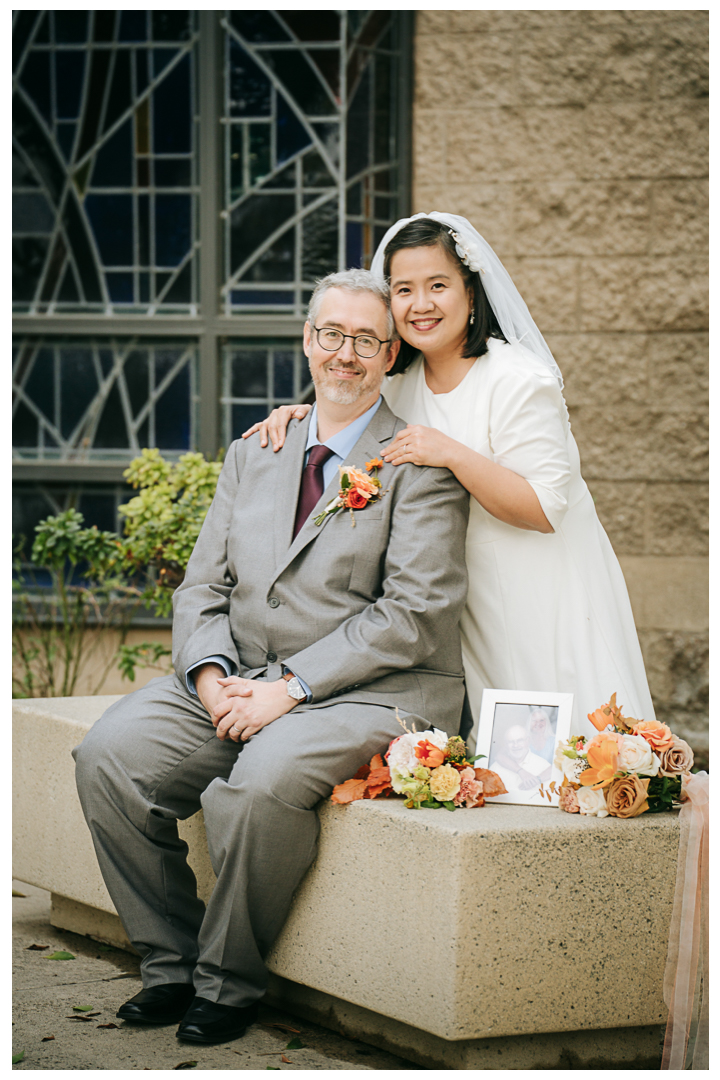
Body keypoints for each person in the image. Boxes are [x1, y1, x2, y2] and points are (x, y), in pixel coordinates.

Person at [73, 268, 469, 1046]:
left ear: (391, 356)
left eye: (365, 340)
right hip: (237, 674)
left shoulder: (419, 464)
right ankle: (172, 964)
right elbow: (202, 586)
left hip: (372, 689)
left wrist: (289, 688)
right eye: (331, 335)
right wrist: (215, 679)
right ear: (306, 342)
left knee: (258, 785)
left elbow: (414, 614)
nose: (344, 355)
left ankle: (229, 982)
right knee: (108, 758)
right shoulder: (258, 448)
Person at [243, 212, 656, 748]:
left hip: (535, 590)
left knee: (575, 754)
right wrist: (296, 417)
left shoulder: (517, 381)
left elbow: (545, 508)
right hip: (448, 599)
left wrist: (452, 454)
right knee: (493, 761)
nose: (420, 304)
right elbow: (349, 417)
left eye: (437, 285)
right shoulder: (400, 385)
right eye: (403, 290)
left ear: (470, 290)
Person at [489, 724, 551, 792]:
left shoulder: (543, 765)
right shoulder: (495, 768)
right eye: (511, 742)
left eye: (520, 740)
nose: (515, 745)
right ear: (506, 744)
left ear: (528, 740)